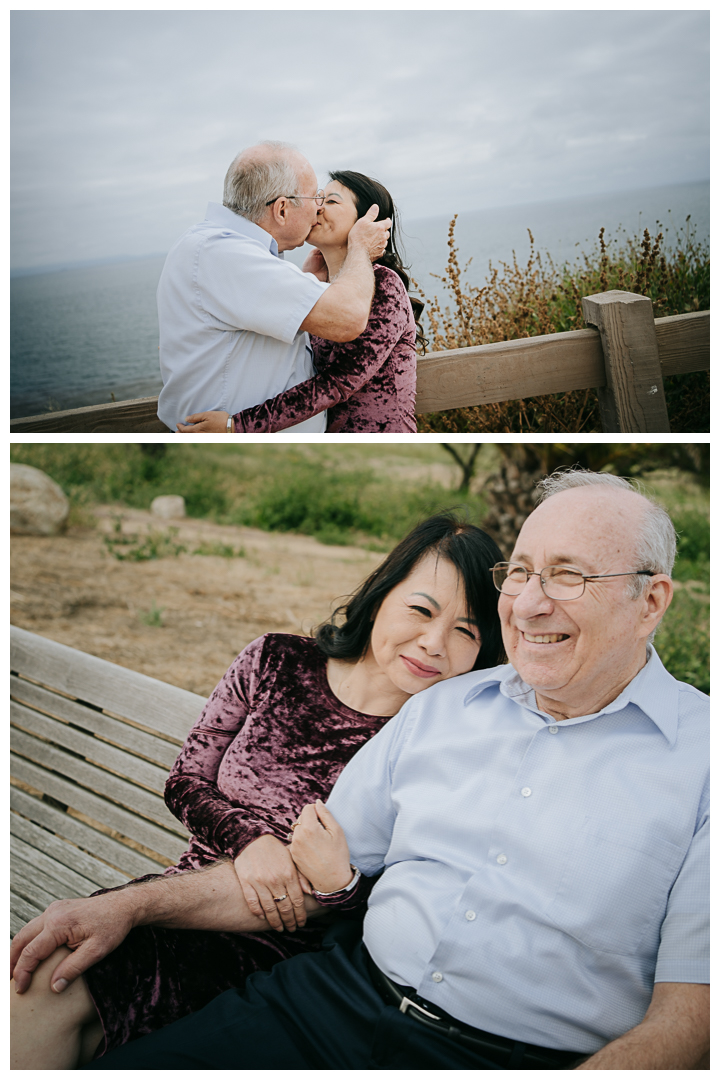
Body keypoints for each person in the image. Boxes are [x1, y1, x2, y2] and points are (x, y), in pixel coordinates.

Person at [10, 513, 504, 1069]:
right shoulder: (276, 661)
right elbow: (187, 780)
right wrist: (250, 842)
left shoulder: (441, 747)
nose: (434, 642)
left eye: (466, 630)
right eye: (421, 609)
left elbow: (401, 899)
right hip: (179, 901)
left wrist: (338, 889)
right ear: (382, 593)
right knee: (37, 982)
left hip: (284, 959)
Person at [156, 141, 390, 433]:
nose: (318, 206)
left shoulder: (213, 247)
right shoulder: (227, 255)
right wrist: (360, 249)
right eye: (315, 197)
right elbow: (348, 319)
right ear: (281, 209)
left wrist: (308, 285)